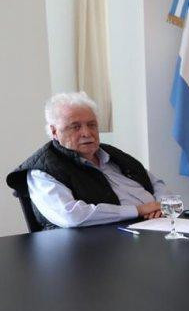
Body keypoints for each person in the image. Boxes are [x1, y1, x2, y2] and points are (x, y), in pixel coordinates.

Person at [6, 92, 168, 229]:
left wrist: (161, 206)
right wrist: (139, 210)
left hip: (154, 225)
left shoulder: (112, 154)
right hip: (92, 248)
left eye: (92, 125)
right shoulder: (42, 170)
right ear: (54, 131)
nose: (87, 133)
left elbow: (156, 183)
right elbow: (71, 216)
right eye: (75, 126)